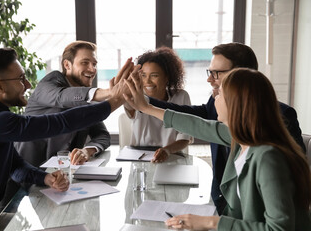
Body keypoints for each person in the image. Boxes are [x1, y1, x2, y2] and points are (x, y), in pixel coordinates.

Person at [0, 48, 133, 230]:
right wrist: (116, 98)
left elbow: (15, 166)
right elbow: (59, 122)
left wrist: (46, 179)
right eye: (21, 79)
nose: (28, 84)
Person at [124, 68, 311, 230]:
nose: (215, 98)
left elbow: (279, 229)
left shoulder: (267, 157)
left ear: (236, 104)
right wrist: (146, 108)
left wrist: (212, 223)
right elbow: (196, 125)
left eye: (219, 94)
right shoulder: (240, 137)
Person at [143, 42, 305, 214]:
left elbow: (288, 191)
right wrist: (145, 103)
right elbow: (198, 122)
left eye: (216, 73)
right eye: (209, 72)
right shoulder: (221, 106)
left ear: (241, 74)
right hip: (222, 204)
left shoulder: (278, 123)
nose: (209, 79)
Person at [15, 41, 129, 167]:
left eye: (94, 64)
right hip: (27, 173)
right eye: (85, 63)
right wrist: (109, 93)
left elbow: (102, 135)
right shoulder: (49, 83)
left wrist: (87, 150)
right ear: (67, 65)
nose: (92, 69)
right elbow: (61, 97)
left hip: (64, 175)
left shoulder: (87, 100)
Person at [123, 47, 192, 162]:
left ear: (167, 77)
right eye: (143, 75)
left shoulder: (182, 96)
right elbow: (128, 105)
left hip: (171, 157)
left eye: (154, 75)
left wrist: (166, 150)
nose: (147, 81)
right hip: (140, 159)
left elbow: (185, 137)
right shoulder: (136, 96)